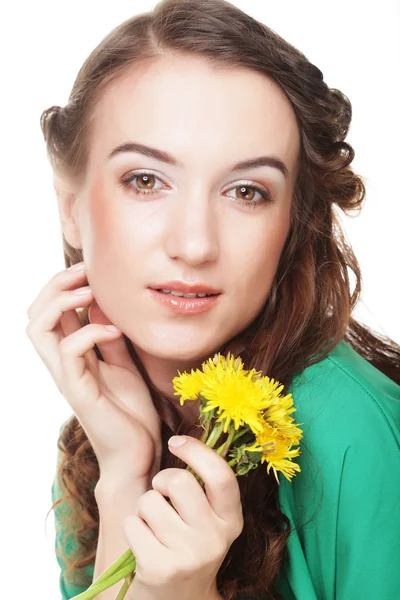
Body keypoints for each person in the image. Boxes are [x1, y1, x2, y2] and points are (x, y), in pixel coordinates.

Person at [26, 0, 400, 599]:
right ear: (70, 206)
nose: (195, 244)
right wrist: (125, 475)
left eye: (247, 191)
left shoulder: (354, 435)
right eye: (146, 180)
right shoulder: (105, 429)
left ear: (292, 224)